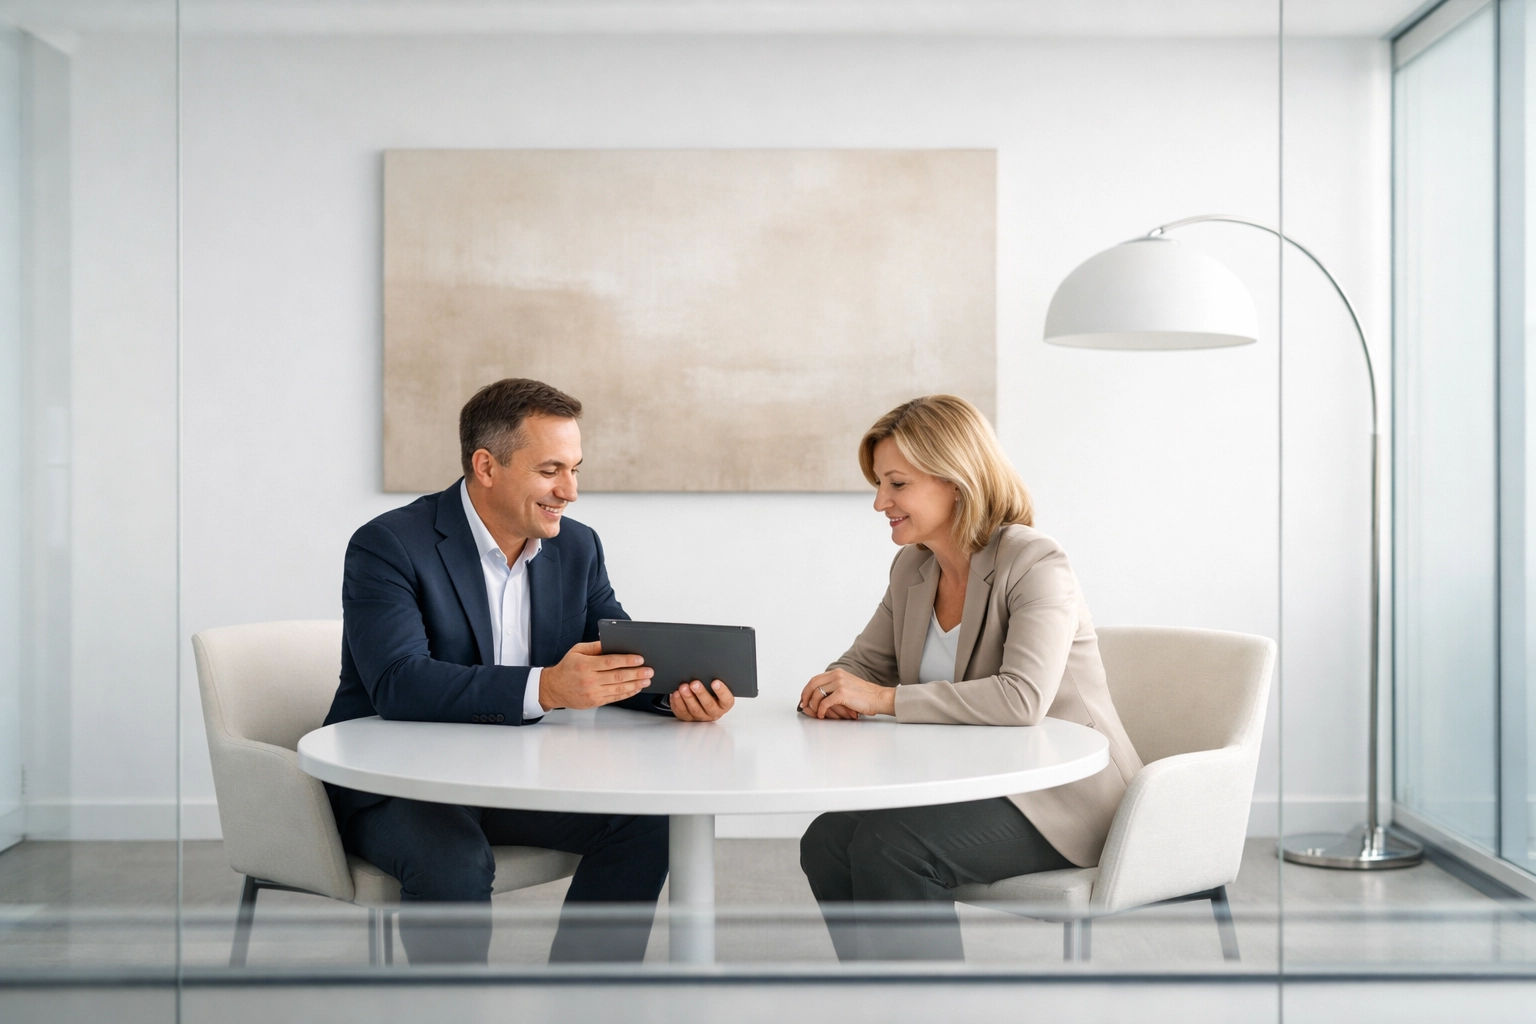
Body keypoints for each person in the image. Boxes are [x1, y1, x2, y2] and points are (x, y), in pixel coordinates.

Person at [323, 377, 736, 965]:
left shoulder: (576, 548)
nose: (569, 491)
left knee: (651, 823)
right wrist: (544, 686)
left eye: (575, 469)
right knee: (455, 863)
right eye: (551, 470)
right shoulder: (389, 544)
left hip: (513, 779)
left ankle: (583, 1001)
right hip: (397, 784)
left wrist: (679, 696)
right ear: (486, 466)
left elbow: (614, 652)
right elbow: (398, 681)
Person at [797, 395, 1143, 961]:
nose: (880, 501)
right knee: (828, 840)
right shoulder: (915, 567)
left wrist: (882, 699)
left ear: (955, 481)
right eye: (880, 484)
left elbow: (1021, 699)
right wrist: (835, 688)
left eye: (896, 484)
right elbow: (864, 663)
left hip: (1063, 799)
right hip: (975, 784)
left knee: (893, 847)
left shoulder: (1035, 562)